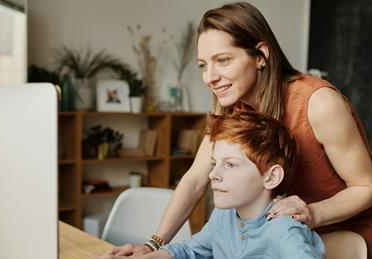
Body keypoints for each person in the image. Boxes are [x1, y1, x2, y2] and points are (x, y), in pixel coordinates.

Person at [102, 1, 372, 257]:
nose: (209, 77)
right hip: (277, 235)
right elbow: (196, 178)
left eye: (222, 60)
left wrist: (312, 213)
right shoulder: (230, 107)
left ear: (260, 56)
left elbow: (366, 186)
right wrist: (153, 245)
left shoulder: (319, 104)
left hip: (342, 235)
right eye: (203, 65)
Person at [93, 111, 326, 259]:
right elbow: (192, 250)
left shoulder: (284, 229)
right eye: (214, 163)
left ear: (271, 177)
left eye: (230, 165)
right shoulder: (222, 217)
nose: (213, 174)